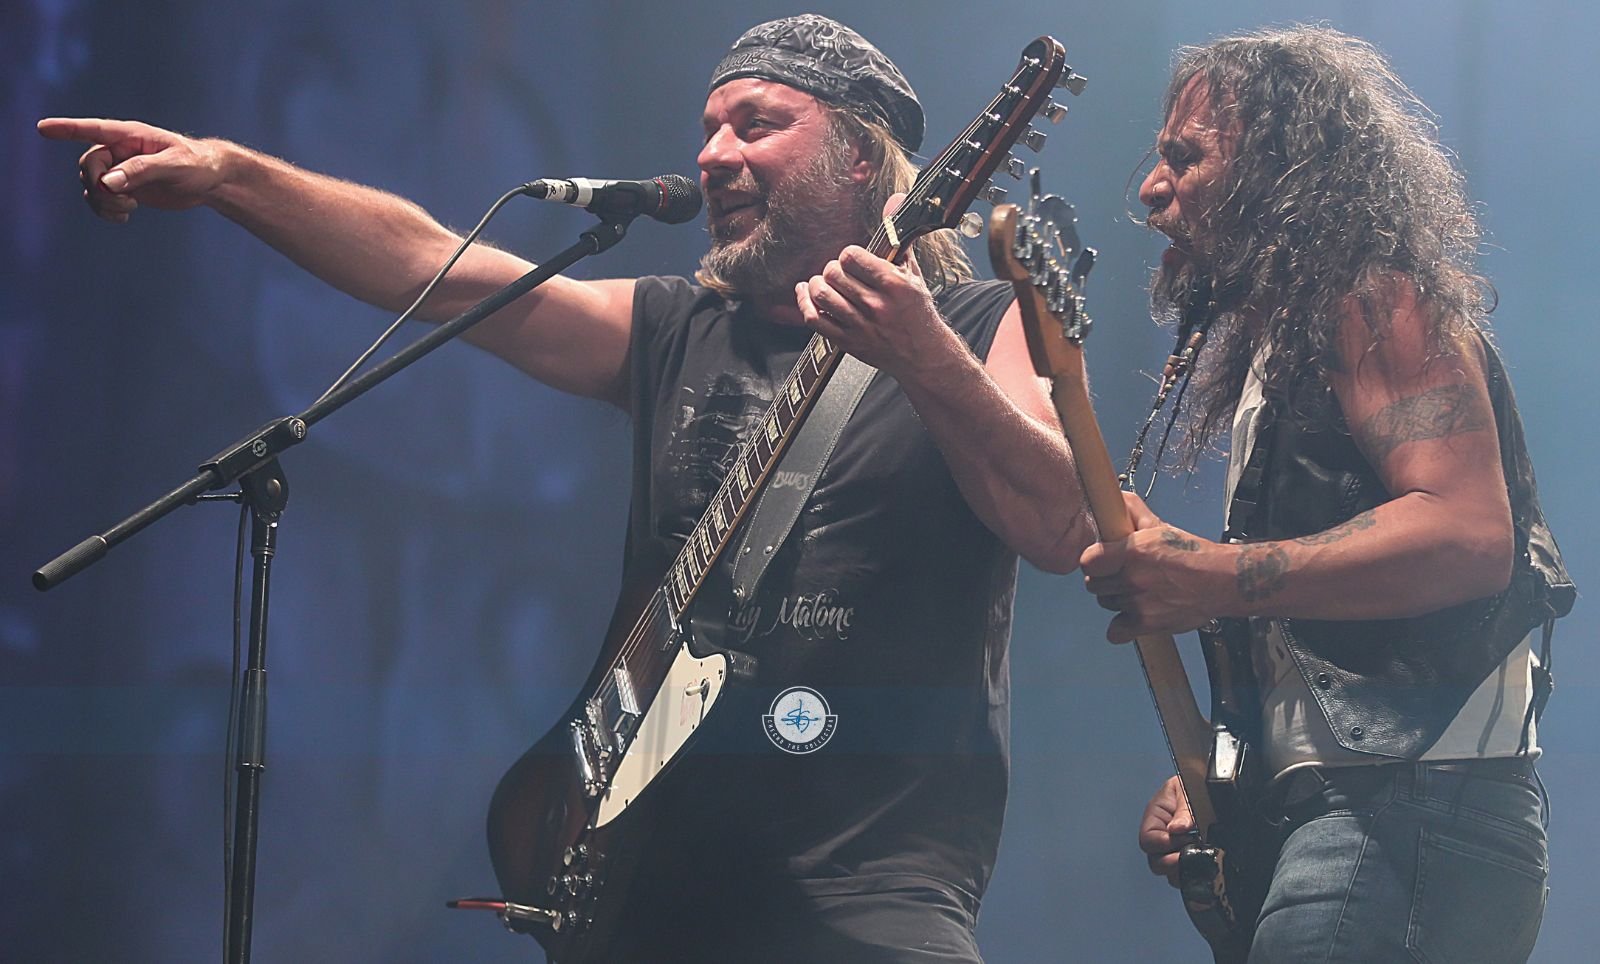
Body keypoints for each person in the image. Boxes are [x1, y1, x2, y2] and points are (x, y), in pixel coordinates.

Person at [40, 14, 1094, 962]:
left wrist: (923, 356)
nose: (712, 154)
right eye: (709, 128)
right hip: (647, 881)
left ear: (861, 158)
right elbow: (434, 270)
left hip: (869, 891)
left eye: (757, 124)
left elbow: (1064, 524)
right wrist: (230, 176)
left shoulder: (988, 324)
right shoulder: (675, 326)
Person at [1080, 26, 1574, 963]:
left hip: (1405, 813)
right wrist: (1235, 774)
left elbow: (1467, 534)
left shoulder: (1373, 297)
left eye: (1186, 157)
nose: (1151, 188)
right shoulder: (1295, 343)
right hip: (1359, 812)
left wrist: (1214, 575)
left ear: (1282, 168)